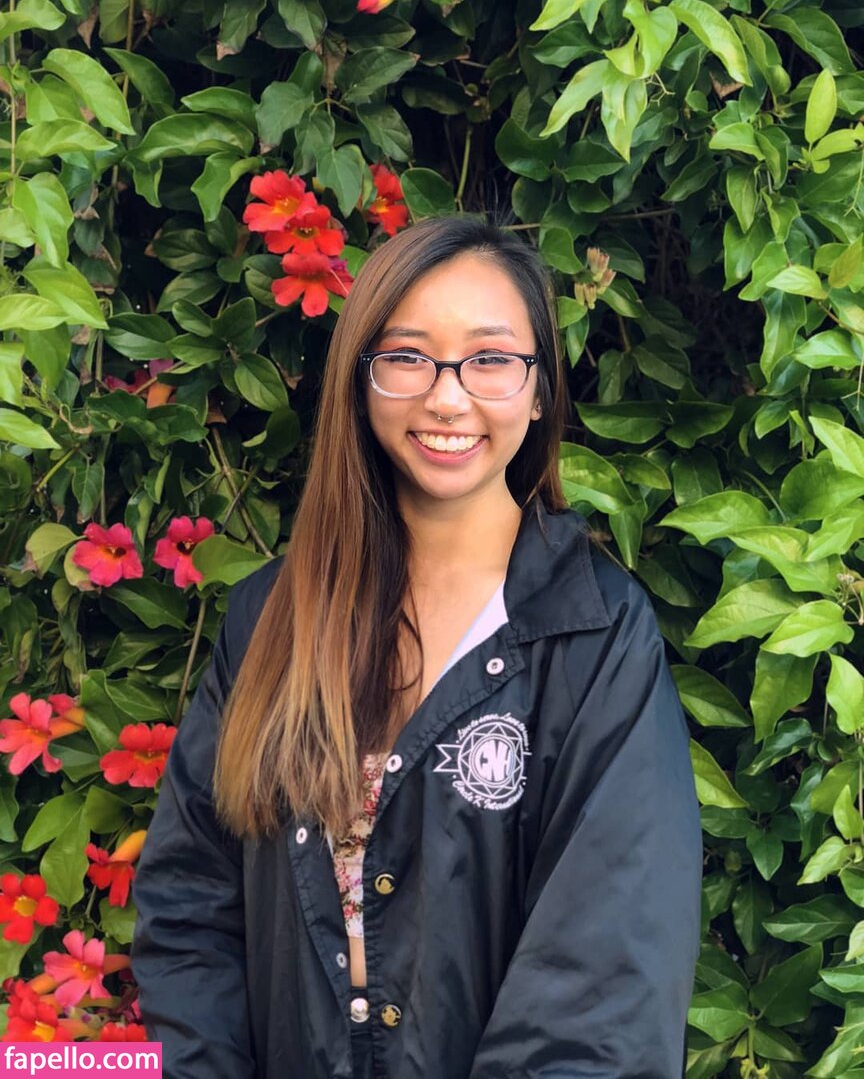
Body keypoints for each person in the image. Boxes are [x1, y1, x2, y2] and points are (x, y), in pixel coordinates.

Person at [131, 215, 702, 1079]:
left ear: (539, 391)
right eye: (408, 356)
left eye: (490, 358)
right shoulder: (273, 618)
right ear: (361, 381)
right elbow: (191, 908)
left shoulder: (593, 638)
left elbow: (604, 986)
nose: (447, 397)